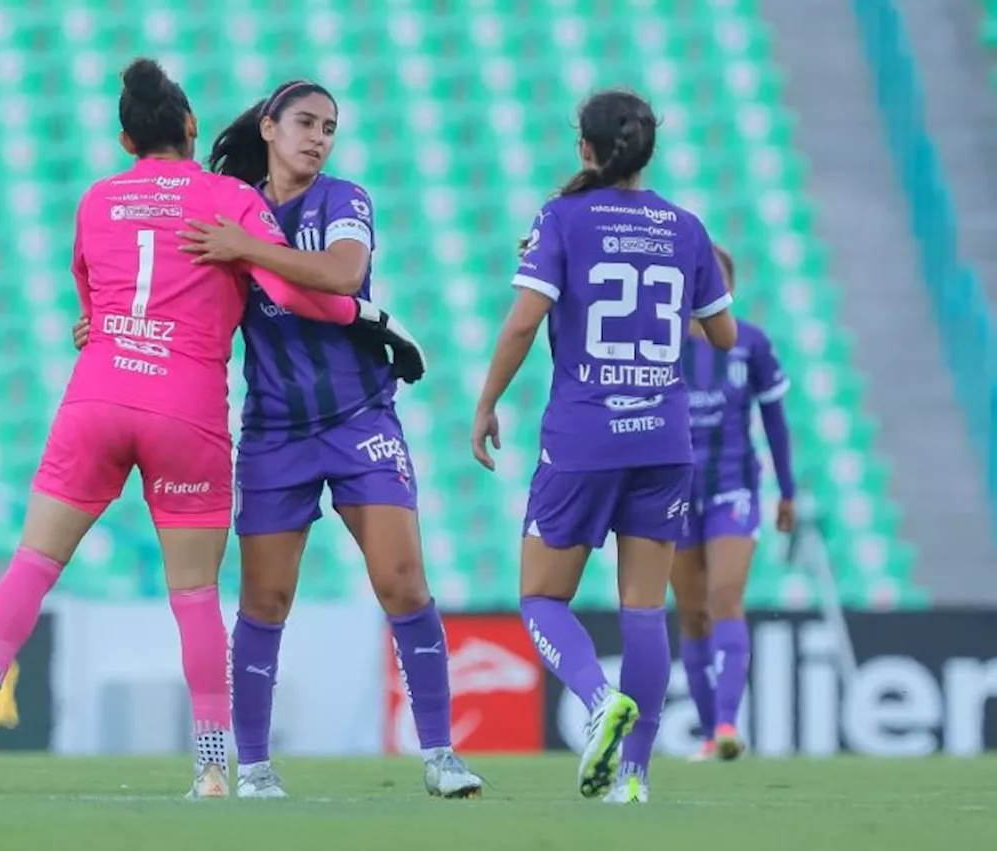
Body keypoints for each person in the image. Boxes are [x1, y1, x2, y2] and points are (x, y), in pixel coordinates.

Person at [0, 58, 424, 800]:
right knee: (193, 595)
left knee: (33, 560)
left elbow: (92, 306)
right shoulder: (227, 199)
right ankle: (213, 765)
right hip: (185, 410)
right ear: (191, 128)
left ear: (127, 140)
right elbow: (295, 289)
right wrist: (372, 319)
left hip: (97, 397)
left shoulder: (97, 200)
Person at [74, 79, 481, 800]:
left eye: (329, 126)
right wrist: (107, 328)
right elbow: (168, 294)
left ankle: (442, 753)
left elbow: (342, 273)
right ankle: (255, 767)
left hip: (359, 417)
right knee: (265, 599)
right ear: (268, 127)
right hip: (273, 430)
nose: (319, 137)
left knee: (401, 581)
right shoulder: (229, 207)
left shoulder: (342, 200)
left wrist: (249, 250)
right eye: (304, 122)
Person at [470, 89, 736, 805]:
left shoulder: (562, 218)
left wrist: (488, 401)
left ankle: (595, 699)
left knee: (540, 598)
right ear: (647, 150)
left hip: (585, 436)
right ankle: (635, 779)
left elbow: (525, 324)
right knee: (644, 610)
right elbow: (725, 337)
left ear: (585, 149)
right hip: (664, 439)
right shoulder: (686, 229)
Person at [672, 244, 795, 763]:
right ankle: (708, 730)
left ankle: (726, 725)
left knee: (725, 597)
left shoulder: (752, 344)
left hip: (733, 488)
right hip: (673, 496)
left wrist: (788, 490)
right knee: (693, 615)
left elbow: (774, 421)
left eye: (714, 279)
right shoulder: (663, 347)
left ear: (729, 289)